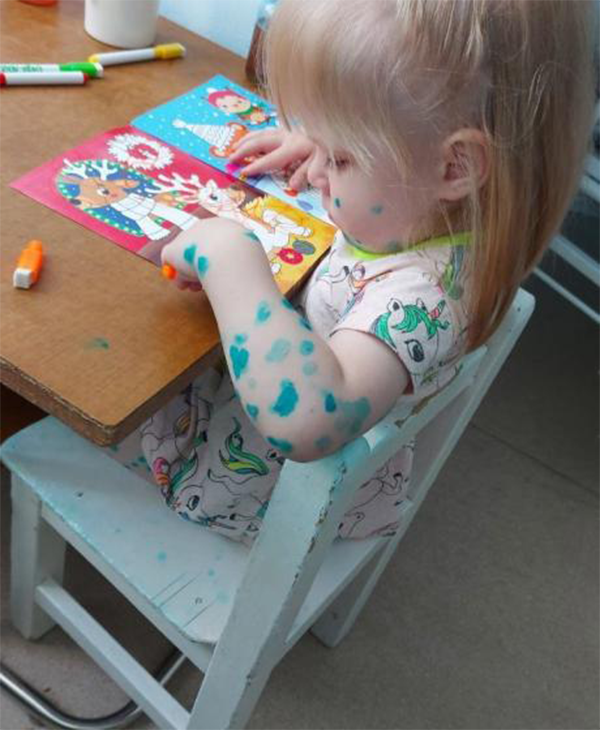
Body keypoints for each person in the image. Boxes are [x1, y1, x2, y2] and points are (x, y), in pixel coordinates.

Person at [107, 0, 595, 544]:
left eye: (340, 159)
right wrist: (324, 140)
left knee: (106, 348)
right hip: (278, 395)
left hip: (250, 488)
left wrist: (230, 259)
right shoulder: (425, 209)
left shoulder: (424, 300)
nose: (317, 171)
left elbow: (306, 421)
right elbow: (389, 148)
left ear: (454, 167)